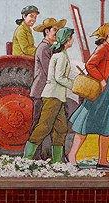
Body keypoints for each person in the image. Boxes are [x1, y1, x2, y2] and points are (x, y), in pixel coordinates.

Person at [67, 22, 109, 169]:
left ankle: (103, 160)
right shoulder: (103, 48)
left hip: (107, 89)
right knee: (86, 121)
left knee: (107, 124)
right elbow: (90, 65)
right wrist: (102, 80)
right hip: (99, 89)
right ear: (108, 34)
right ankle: (72, 156)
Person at [23, 27, 75, 163]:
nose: (72, 40)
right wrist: (74, 85)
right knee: (44, 126)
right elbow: (59, 77)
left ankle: (57, 162)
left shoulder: (61, 54)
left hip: (58, 96)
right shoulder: (61, 56)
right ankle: (26, 159)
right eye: (71, 38)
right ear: (66, 40)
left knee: (61, 128)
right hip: (52, 96)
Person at [29, 17, 66, 158]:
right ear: (46, 31)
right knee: (39, 124)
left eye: (58, 30)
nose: (57, 33)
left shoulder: (51, 48)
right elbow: (49, 70)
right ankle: (32, 158)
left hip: (50, 92)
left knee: (58, 126)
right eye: (54, 30)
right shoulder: (44, 48)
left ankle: (55, 158)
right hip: (41, 91)